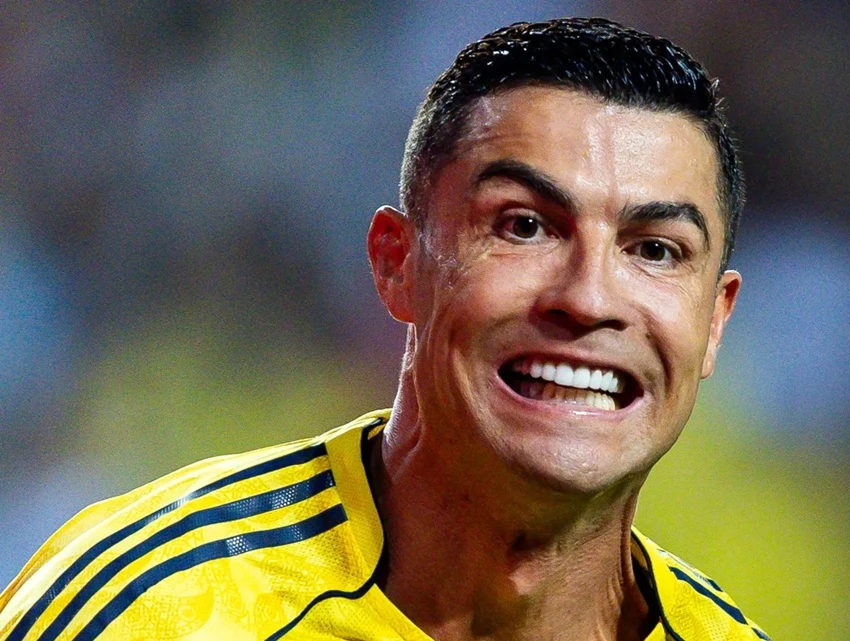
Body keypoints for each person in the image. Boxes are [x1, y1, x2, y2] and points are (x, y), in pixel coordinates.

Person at [0, 17, 768, 641]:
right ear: (397, 263)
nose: (588, 297)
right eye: (524, 225)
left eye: (655, 250)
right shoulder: (149, 612)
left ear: (714, 320)